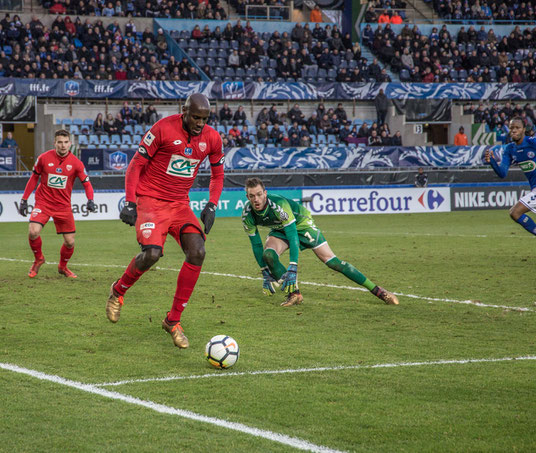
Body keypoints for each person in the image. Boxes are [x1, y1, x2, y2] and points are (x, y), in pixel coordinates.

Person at [106, 93, 224, 349]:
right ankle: (118, 290)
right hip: (150, 200)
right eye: (195, 117)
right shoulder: (162, 128)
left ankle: (173, 321)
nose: (200, 123)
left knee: (198, 252)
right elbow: (136, 165)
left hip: (180, 204)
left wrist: (212, 205)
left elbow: (218, 174)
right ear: (184, 111)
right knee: (151, 254)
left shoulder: (212, 138)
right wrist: (130, 201)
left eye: (204, 119)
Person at [241, 177, 399, 307]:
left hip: (302, 225)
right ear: (247, 197)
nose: (257, 199)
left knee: (333, 262)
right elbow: (256, 245)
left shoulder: (278, 205)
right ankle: (295, 294)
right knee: (268, 255)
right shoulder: (247, 215)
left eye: (259, 194)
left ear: (265, 193)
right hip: (279, 229)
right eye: (252, 196)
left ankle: (378, 291)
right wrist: (264, 272)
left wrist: (293, 266)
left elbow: (293, 235)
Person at [18, 129, 98, 278]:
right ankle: (38, 259)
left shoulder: (76, 163)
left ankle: (62, 267)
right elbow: (33, 179)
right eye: (60, 142)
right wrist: (24, 199)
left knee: (69, 242)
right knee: (33, 231)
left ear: (70, 143)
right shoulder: (43, 158)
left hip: (63, 206)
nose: (63, 145)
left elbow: (87, 183)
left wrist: (90, 200)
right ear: (54, 143)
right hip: (43, 202)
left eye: (66, 142)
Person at [484, 116, 536, 237]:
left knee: (515, 212)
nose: (514, 130)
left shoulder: (532, 142)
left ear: (523, 130)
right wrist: (492, 161)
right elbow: (502, 173)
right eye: (511, 127)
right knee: (515, 213)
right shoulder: (510, 149)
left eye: (517, 127)